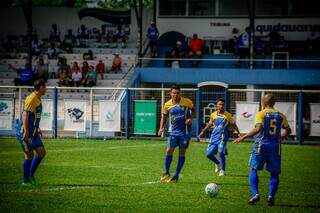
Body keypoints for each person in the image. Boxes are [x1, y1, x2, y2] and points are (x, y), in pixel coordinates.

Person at [234, 94, 291, 206]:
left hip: (261, 145)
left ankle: (255, 194)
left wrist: (243, 137)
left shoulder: (261, 114)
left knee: (253, 169)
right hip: (275, 147)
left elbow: (258, 128)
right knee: (274, 173)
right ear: (274, 103)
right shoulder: (281, 115)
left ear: (263, 103)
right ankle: (271, 196)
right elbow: (288, 130)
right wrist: (282, 136)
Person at [158, 84, 195, 183]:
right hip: (173, 132)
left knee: (181, 153)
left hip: (185, 132)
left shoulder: (187, 102)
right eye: (174, 93)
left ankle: (176, 175)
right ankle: (166, 172)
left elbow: (193, 110)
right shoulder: (167, 105)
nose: (175, 95)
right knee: (169, 150)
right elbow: (164, 117)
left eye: (177, 93)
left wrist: (190, 119)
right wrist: (161, 128)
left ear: (180, 93)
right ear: (170, 93)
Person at [15, 79, 47, 186]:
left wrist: (37, 127)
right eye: (45, 86)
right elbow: (25, 115)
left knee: (41, 152)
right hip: (25, 132)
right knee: (29, 155)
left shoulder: (38, 98)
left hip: (33, 132)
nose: (46, 88)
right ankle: (25, 180)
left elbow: (34, 115)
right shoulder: (31, 98)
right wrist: (26, 131)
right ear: (41, 88)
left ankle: (31, 176)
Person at [198, 98, 240, 176]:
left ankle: (222, 170)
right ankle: (217, 163)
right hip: (214, 137)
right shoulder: (213, 115)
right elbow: (209, 124)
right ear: (216, 106)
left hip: (223, 137)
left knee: (221, 152)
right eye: (220, 104)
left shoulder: (228, 115)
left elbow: (234, 124)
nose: (221, 106)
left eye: (223, 104)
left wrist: (238, 133)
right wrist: (202, 131)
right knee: (209, 154)